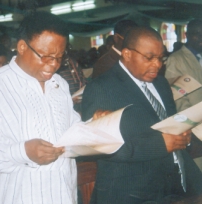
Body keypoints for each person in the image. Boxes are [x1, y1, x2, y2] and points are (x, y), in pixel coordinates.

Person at [0, 12, 83, 203]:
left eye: (59, 57)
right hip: (15, 196)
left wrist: (96, 128)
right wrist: (23, 152)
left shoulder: (59, 84)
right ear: (22, 47)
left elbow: (72, 129)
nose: (53, 65)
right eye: (45, 56)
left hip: (60, 194)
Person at [82, 26, 202, 203]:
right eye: (149, 58)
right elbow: (99, 147)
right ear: (127, 54)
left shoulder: (160, 83)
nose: (157, 65)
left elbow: (170, 123)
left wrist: (184, 136)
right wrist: (160, 145)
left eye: (161, 58)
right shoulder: (101, 88)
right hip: (132, 192)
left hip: (176, 186)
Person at [165, 19, 202, 112]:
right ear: (186, 35)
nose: (200, 37)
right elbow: (178, 98)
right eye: (196, 34)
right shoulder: (176, 59)